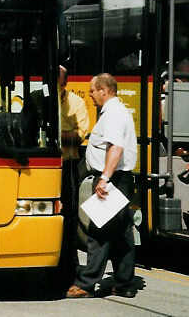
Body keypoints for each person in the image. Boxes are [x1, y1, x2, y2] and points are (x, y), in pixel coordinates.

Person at [66, 72, 138, 299]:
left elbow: (115, 147)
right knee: (121, 232)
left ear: (104, 91)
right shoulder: (115, 112)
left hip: (113, 178)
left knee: (99, 231)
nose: (90, 95)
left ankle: (86, 284)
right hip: (118, 178)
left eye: (92, 91)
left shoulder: (114, 114)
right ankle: (125, 282)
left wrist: (105, 178)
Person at [58, 65, 90, 268]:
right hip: (40, 162)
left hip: (67, 164)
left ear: (65, 83)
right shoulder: (36, 98)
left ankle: (70, 261)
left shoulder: (76, 102)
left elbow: (80, 135)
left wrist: (53, 136)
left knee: (69, 214)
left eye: (59, 83)